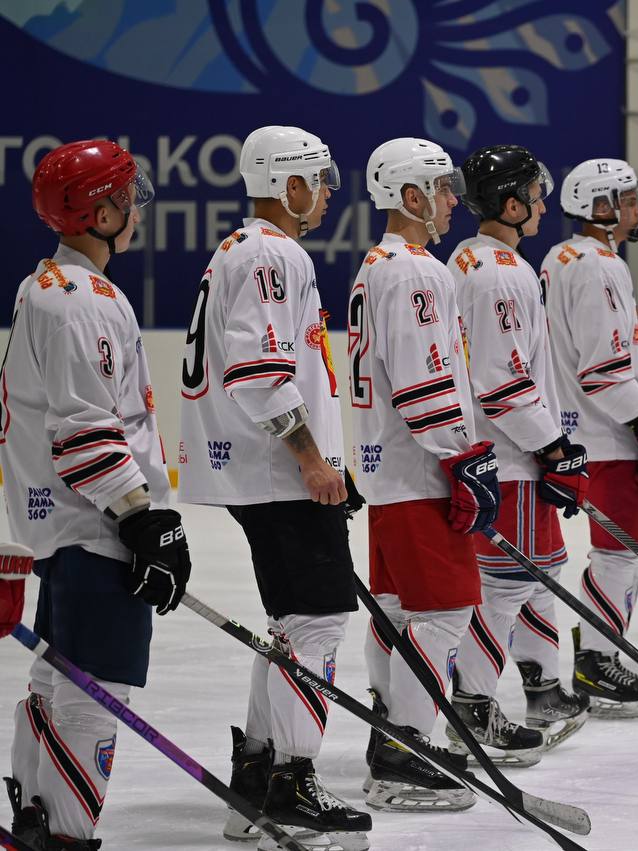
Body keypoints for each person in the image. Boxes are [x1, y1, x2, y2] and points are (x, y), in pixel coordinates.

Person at [178, 126, 371, 850]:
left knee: (295, 624)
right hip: (278, 473)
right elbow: (260, 373)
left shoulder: (242, 247)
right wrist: (313, 460)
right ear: (286, 185)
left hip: (267, 470)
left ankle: (256, 782)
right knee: (319, 623)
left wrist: (321, 457)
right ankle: (293, 782)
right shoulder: (273, 252)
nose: (325, 192)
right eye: (316, 179)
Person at [3, 140, 189, 851]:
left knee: (59, 675)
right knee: (94, 687)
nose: (133, 208)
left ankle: (38, 823)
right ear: (99, 209)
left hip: (69, 526)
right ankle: (64, 835)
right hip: (95, 525)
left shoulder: (47, 285)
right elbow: (85, 430)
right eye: (124, 196)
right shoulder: (81, 300)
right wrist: (144, 519)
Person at [351, 137, 499, 811]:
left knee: (398, 611)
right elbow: (424, 380)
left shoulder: (376, 266)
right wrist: (465, 456)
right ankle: (405, 746)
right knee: (444, 612)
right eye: (440, 189)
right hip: (422, 469)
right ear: (410, 197)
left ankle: (394, 732)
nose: (450, 201)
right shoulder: (415, 270)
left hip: (390, 468)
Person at [449, 145, 590, 765]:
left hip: (503, 455)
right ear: (510, 204)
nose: (541, 202)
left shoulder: (468, 259)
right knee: (506, 587)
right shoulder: (502, 272)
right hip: (511, 459)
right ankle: (473, 709)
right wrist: (554, 447)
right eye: (532, 193)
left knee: (535, 576)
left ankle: (541, 685)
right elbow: (503, 381)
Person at [542, 158, 638, 717]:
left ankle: (595, 650)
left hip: (583, 426)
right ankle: (598, 661)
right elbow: (604, 367)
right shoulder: (600, 266)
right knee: (621, 553)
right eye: (623, 199)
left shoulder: (560, 257)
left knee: (616, 551)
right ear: (599, 208)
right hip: (609, 431)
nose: (633, 208)